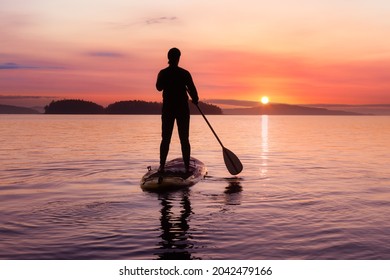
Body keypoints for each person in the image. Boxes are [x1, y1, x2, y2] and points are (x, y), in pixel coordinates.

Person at [156, 48, 199, 173]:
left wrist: (195, 97)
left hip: (170, 108)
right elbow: (193, 92)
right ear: (178, 58)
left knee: (166, 138)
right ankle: (185, 167)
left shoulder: (164, 73)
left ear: (168, 58)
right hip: (180, 109)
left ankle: (162, 166)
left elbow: (158, 87)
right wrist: (195, 99)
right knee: (184, 138)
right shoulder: (184, 73)